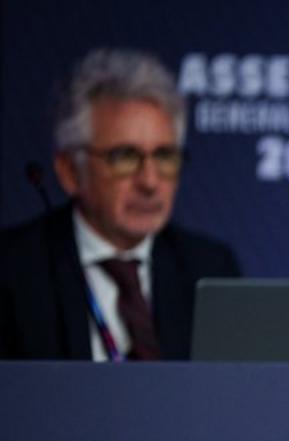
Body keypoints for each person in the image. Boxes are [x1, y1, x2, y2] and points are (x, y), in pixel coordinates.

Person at [0, 48, 241, 361]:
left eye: (165, 156)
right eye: (125, 157)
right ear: (70, 171)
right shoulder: (13, 271)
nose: (150, 182)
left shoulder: (208, 270)